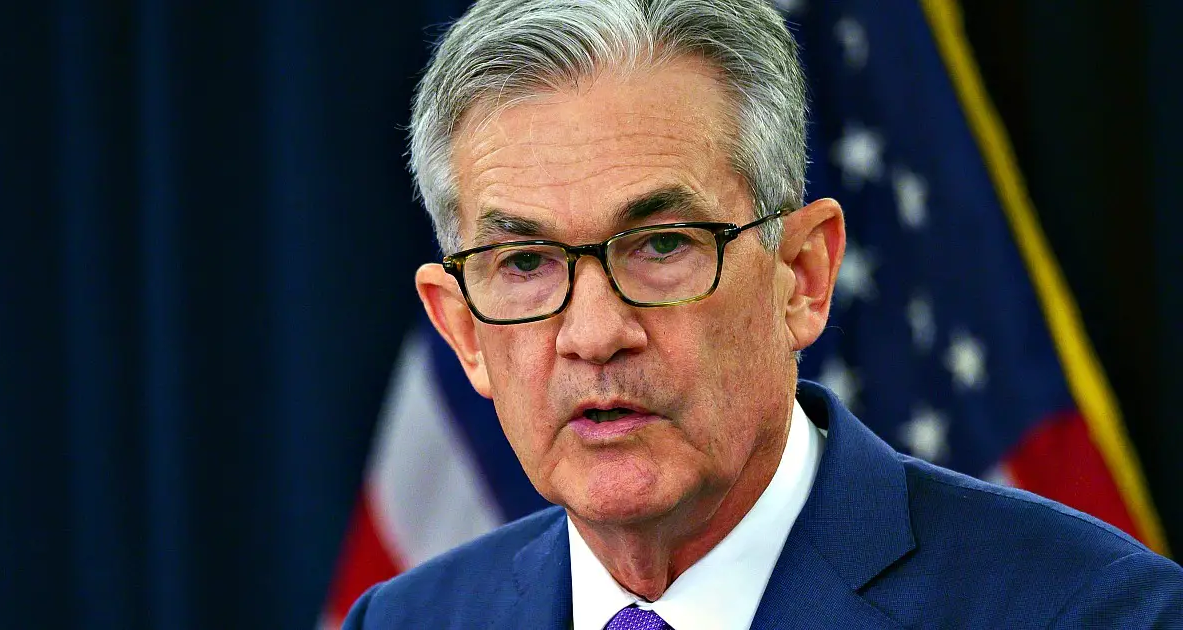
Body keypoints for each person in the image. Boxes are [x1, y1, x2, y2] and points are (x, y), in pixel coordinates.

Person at [345, 0, 1183, 627]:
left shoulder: (1090, 611)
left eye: (662, 245)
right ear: (463, 331)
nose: (595, 335)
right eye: (525, 263)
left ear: (801, 278)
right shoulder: (405, 621)